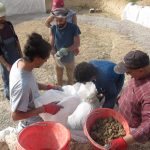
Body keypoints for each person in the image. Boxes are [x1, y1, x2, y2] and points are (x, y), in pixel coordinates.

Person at [10, 32, 63, 132]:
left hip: (36, 108)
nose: (46, 61)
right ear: (37, 58)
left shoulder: (20, 63)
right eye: (45, 59)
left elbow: (31, 84)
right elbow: (15, 116)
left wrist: (48, 87)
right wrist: (44, 109)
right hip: (31, 122)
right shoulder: (22, 85)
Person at [109, 50, 150, 150]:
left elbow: (148, 124)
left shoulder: (148, 91)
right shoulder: (139, 75)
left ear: (141, 70)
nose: (127, 74)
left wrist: (124, 141)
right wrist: (120, 99)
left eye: (129, 72)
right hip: (125, 119)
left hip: (134, 130)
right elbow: (132, 89)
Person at [50, 8, 81, 86]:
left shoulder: (73, 28)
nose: (58, 23)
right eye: (56, 20)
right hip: (58, 57)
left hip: (69, 57)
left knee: (70, 76)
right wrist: (53, 50)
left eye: (61, 20)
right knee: (59, 75)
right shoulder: (53, 28)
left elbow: (77, 43)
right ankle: (59, 88)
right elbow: (52, 41)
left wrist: (66, 50)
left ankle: (70, 89)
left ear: (66, 18)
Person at [0, 2, 22, 100]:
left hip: (15, 55)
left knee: (18, 76)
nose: (3, 18)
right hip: (5, 59)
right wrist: (6, 65)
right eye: (1, 17)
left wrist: (21, 54)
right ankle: (9, 95)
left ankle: (19, 93)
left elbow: (16, 40)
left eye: (3, 16)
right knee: (7, 78)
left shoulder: (9, 25)